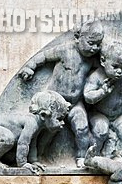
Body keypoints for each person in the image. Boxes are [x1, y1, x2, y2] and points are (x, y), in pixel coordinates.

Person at [19, 20, 104, 167]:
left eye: (98, 44)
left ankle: (82, 158)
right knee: (47, 133)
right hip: (54, 102)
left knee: (82, 127)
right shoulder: (65, 50)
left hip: (75, 102)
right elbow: (44, 56)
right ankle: (38, 157)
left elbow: (106, 66)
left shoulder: (93, 59)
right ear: (77, 38)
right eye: (91, 43)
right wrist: (30, 67)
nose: (94, 48)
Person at [0, 90, 70, 173]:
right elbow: (23, 143)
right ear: (44, 115)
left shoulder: (37, 126)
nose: (62, 123)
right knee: (8, 139)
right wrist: (22, 163)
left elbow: (32, 144)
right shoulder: (31, 122)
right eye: (59, 119)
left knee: (9, 139)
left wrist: (33, 161)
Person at [83, 40, 122, 157]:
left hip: (118, 115)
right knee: (101, 130)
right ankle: (94, 155)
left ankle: (115, 153)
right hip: (98, 113)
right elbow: (87, 96)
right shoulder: (96, 77)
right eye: (115, 67)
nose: (119, 71)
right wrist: (102, 92)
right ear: (103, 61)